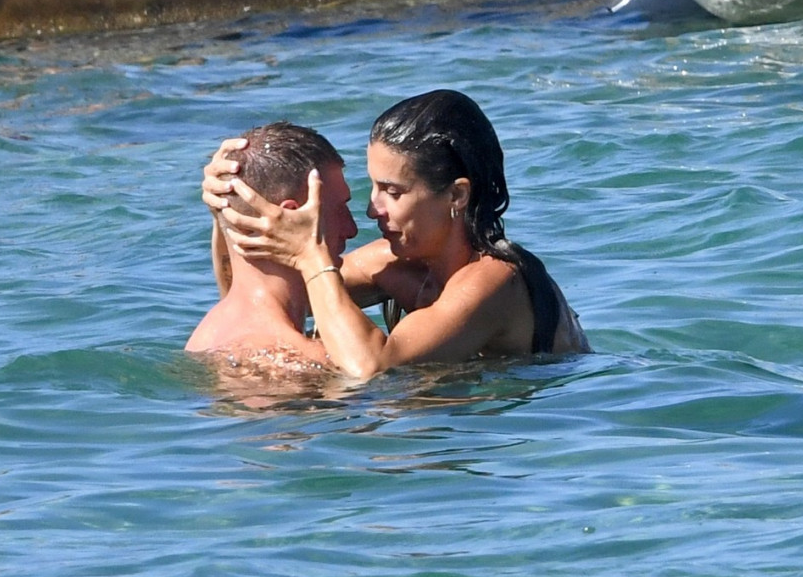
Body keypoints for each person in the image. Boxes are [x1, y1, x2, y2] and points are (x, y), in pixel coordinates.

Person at [202, 89, 590, 381]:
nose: (373, 209)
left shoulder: (494, 282)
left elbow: (371, 366)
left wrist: (310, 253)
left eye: (393, 192)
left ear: (457, 194)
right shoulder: (388, 264)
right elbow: (258, 295)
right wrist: (227, 204)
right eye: (372, 187)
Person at [186, 122, 358, 392]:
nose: (352, 229)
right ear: (289, 216)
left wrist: (222, 212)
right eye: (340, 209)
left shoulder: (210, 330)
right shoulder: (296, 363)